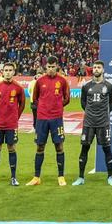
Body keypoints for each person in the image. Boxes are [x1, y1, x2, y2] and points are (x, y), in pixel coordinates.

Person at [27, 56, 71, 186]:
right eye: (49, 67)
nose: (51, 69)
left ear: (57, 66)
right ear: (45, 67)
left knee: (59, 146)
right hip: (42, 119)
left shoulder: (62, 81)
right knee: (40, 146)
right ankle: (36, 177)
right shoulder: (40, 81)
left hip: (56, 118)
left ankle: (61, 176)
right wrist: (44, 107)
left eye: (53, 67)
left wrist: (57, 106)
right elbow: (35, 99)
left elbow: (67, 98)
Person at [74, 60, 112, 186]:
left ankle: (110, 177)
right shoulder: (86, 86)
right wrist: (91, 112)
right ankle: (81, 177)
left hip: (104, 123)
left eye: (99, 67)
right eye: (95, 67)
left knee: (107, 149)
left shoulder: (109, 85)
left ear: (103, 70)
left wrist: (103, 113)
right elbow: (83, 103)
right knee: (84, 148)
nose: (96, 69)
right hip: (89, 123)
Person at [0, 62, 26, 186]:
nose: (7, 72)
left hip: (11, 125)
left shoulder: (18, 88)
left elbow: (22, 105)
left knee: (11, 148)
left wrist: (14, 117)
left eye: (10, 70)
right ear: (2, 72)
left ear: (14, 72)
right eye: (6, 70)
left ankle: (13, 177)